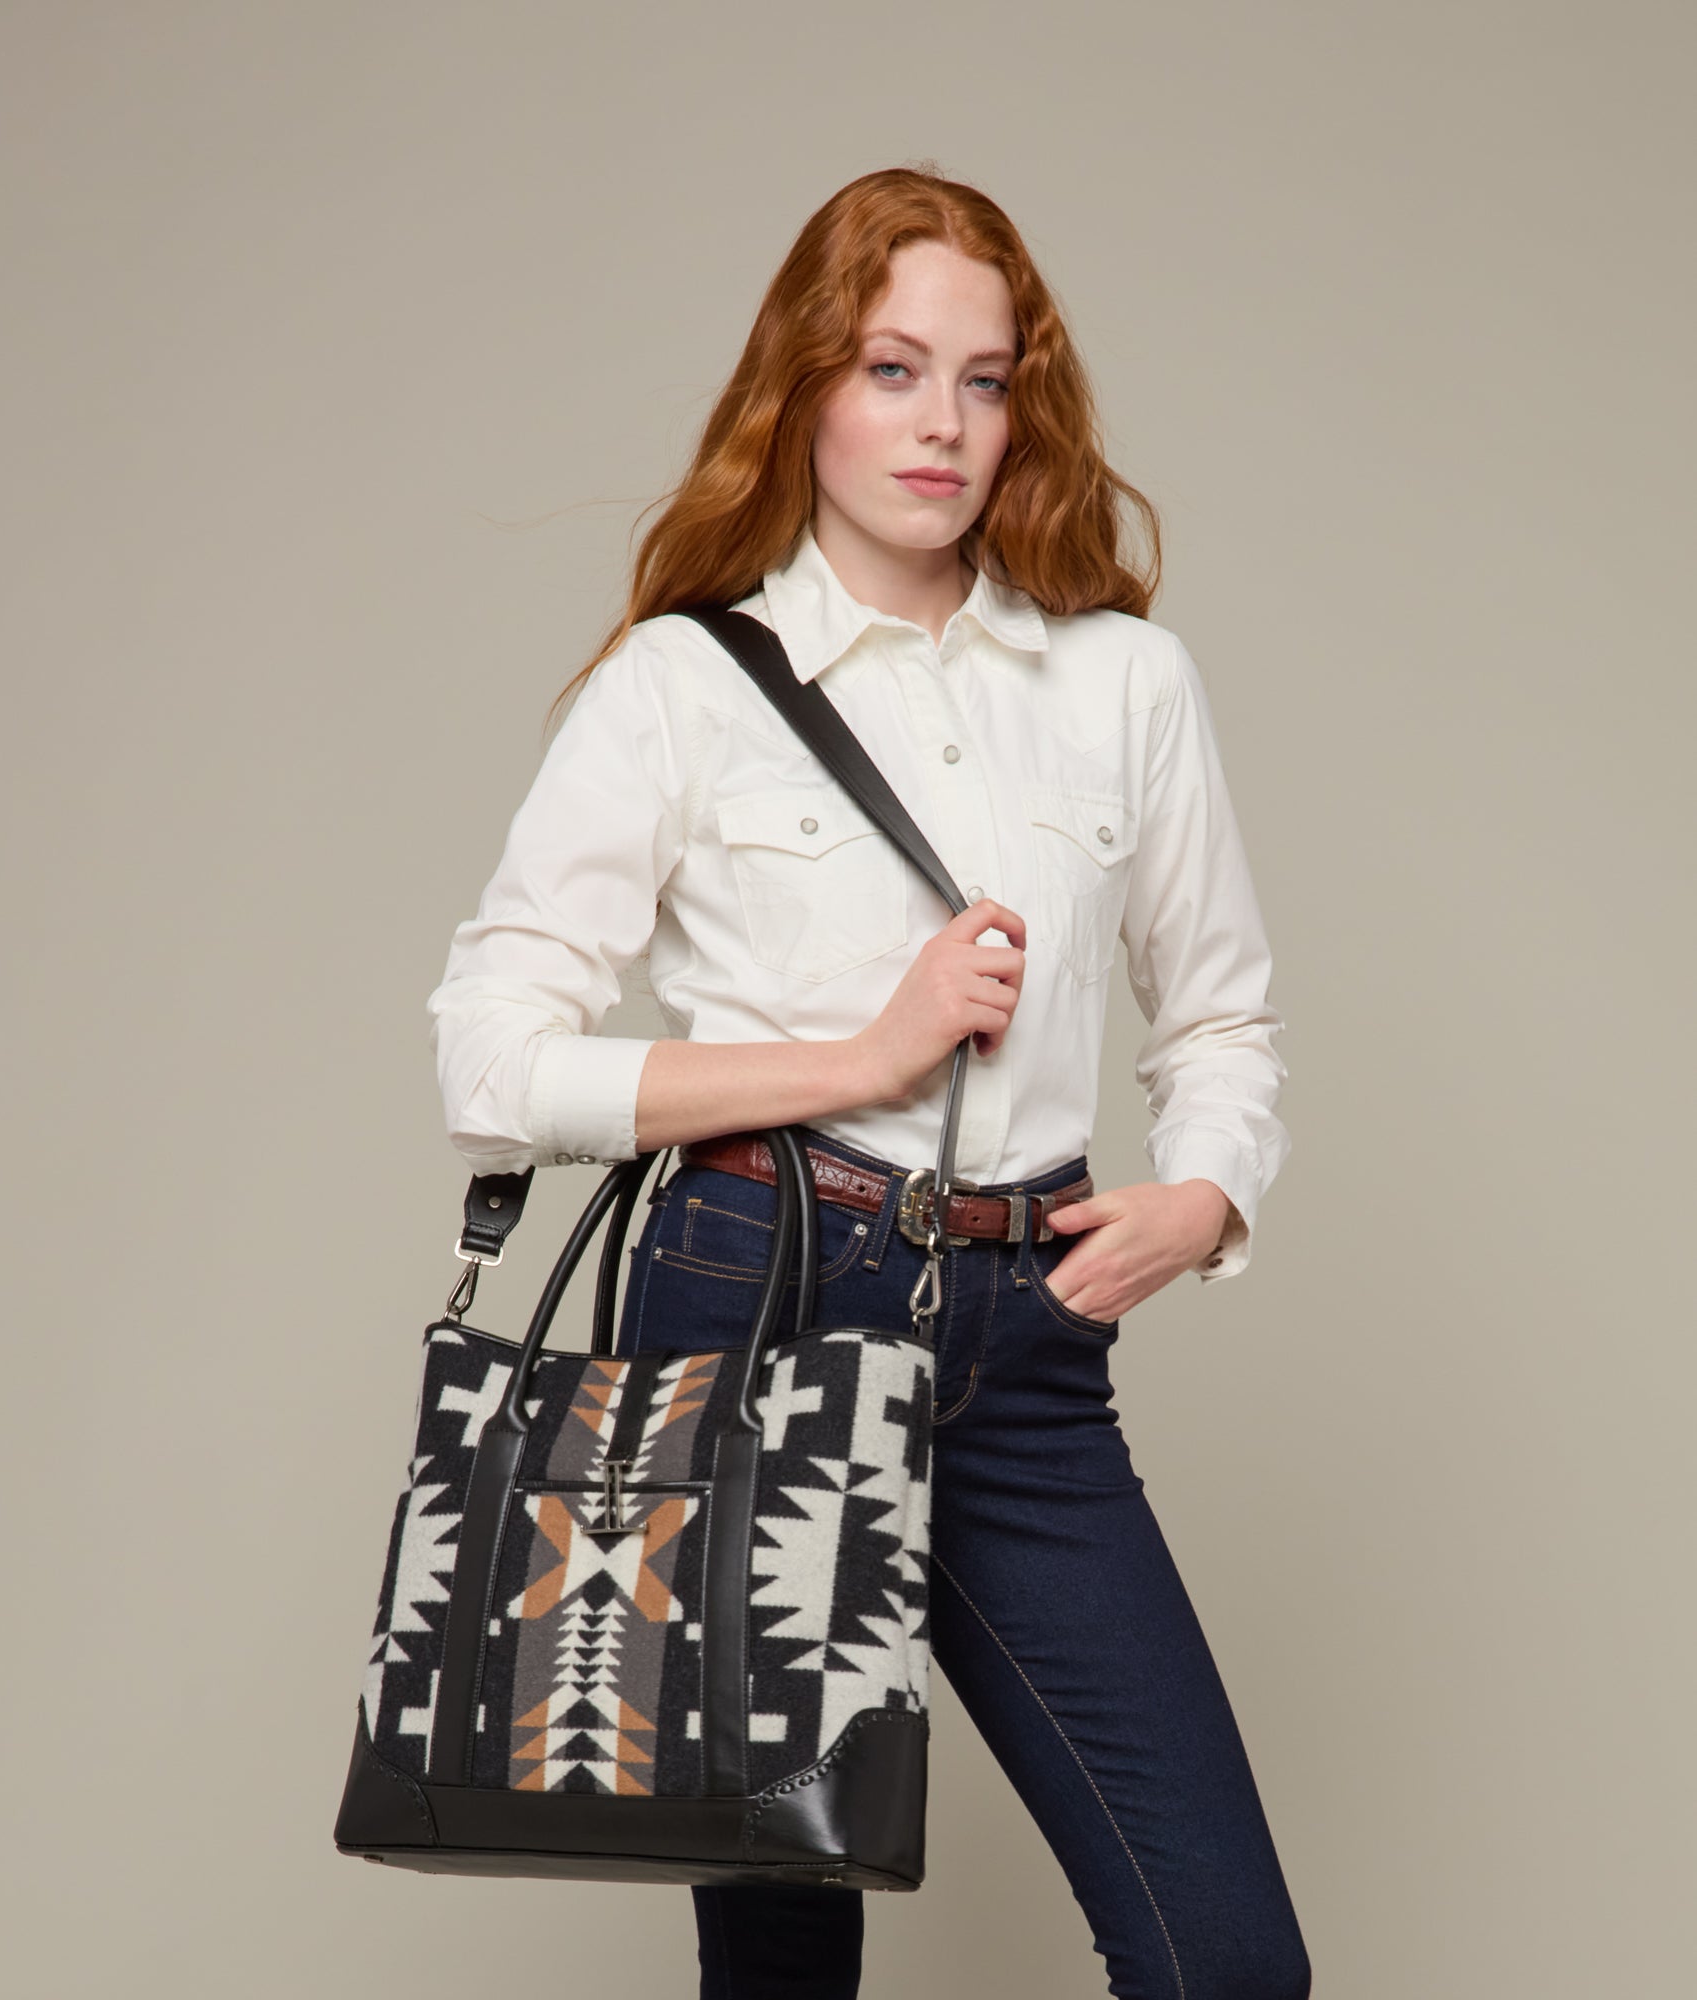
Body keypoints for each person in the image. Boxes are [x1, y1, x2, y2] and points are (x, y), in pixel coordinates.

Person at [425, 165, 1310, 2000]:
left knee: (1225, 1960)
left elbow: (1221, 1020)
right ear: (807, 384)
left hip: (1025, 1332)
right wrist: (859, 1057)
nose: (942, 424)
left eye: (984, 382)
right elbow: (492, 1060)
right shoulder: (683, 685)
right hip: (752, 1293)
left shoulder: (1125, 683)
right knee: (782, 1963)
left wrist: (1207, 1198)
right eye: (893, 370)